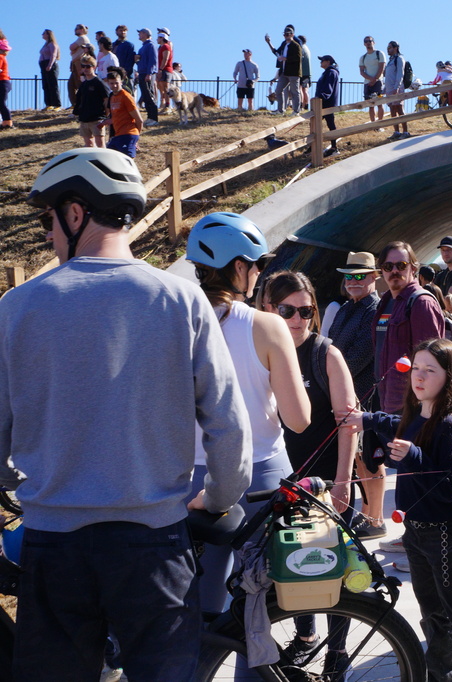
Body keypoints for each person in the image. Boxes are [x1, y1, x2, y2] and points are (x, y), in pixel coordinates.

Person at [3, 148, 251, 680]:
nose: (48, 235)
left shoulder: (16, 308)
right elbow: (228, 425)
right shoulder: (183, 301)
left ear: (75, 213)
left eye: (48, 220)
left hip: (54, 544)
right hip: (154, 544)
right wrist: (220, 497)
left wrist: (12, 481)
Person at [346, 339, 452, 682]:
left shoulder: (451, 425)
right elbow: (396, 423)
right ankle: (442, 675)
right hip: (416, 531)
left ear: (450, 377)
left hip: (447, 534)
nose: (419, 376)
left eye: (430, 370)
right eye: (416, 368)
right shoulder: (418, 414)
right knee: (432, 617)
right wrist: (366, 419)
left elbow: (449, 488)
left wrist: (414, 457)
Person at [185, 212, 311, 614]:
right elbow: (298, 420)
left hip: (190, 478)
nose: (260, 273)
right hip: (262, 476)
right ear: (239, 266)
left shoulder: (174, 321)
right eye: (259, 264)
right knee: (262, 602)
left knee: (201, 605)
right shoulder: (268, 327)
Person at [259, 271, 358, 672]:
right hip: (281, 479)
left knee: (336, 566)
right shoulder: (258, 348)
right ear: (268, 308)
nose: (298, 319)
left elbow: (348, 422)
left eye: (306, 310)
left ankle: (338, 650)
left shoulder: (324, 353)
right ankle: (305, 635)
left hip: (326, 479)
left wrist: (344, 482)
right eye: (287, 311)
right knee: (292, 563)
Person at [322, 252, 387, 539]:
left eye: (360, 276)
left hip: (366, 395)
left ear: (374, 277)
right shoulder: (347, 307)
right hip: (346, 393)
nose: (353, 281)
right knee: (357, 459)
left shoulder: (375, 310)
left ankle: (376, 520)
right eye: (348, 276)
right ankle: (367, 514)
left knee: (370, 458)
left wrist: (331, 375)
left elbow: (360, 356)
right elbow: (330, 346)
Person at [375, 241, 446, 415]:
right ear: (382, 271)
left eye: (401, 265)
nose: (394, 271)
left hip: (410, 406)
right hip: (386, 398)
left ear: (413, 268)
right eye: (388, 266)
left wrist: (425, 411)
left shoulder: (421, 303)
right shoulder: (385, 302)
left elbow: (432, 362)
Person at [101, 66, 142, 158]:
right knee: (109, 158)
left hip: (129, 134)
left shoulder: (126, 96)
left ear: (121, 82)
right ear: (108, 83)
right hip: (117, 135)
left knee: (127, 160)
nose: (114, 86)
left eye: (116, 83)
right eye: (112, 83)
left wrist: (135, 138)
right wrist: (106, 122)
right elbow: (118, 116)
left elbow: (139, 120)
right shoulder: (112, 97)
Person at [73, 56, 106, 147]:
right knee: (88, 145)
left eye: (88, 66)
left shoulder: (99, 82)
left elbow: (106, 99)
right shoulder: (83, 84)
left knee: (100, 144)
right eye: (83, 66)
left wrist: (107, 115)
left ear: (94, 67)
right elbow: (79, 100)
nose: (85, 69)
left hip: (97, 119)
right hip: (84, 119)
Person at [382, 40, 409, 140]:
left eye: (390, 48)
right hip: (389, 89)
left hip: (396, 88)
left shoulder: (399, 59)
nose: (388, 50)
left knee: (399, 108)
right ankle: (396, 131)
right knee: (392, 110)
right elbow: (387, 77)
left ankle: (405, 131)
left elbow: (400, 74)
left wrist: (397, 87)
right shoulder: (390, 61)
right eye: (387, 48)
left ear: (395, 48)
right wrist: (384, 89)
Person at [315, 54, 341, 155]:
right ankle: (314, 147)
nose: (320, 62)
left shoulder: (331, 72)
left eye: (322, 60)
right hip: (323, 102)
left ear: (328, 62)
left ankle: (333, 148)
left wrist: (321, 96)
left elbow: (328, 88)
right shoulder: (328, 72)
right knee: (317, 124)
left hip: (326, 103)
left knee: (328, 124)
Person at [360, 36, 385, 127]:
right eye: (366, 41)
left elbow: (382, 67)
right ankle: (373, 124)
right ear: (364, 44)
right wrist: (370, 80)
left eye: (369, 41)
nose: (368, 43)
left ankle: (380, 124)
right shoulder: (363, 57)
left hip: (378, 82)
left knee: (379, 103)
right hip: (367, 83)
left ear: (373, 42)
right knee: (370, 104)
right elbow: (362, 71)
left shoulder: (379, 54)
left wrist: (375, 79)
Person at [135, 29, 159, 125]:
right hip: (142, 73)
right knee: (145, 95)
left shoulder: (151, 45)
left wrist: (149, 73)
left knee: (149, 95)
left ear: (145, 34)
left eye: (140, 33)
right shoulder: (143, 47)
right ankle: (150, 116)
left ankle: (154, 118)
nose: (139, 34)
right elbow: (142, 61)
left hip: (147, 74)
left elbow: (153, 61)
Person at [68, 23, 92, 105]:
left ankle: (82, 102)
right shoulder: (80, 39)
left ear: (82, 30)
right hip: (75, 62)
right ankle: (75, 103)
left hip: (79, 62)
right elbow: (72, 50)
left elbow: (71, 47)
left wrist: (74, 49)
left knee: (79, 83)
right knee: (71, 84)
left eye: (77, 29)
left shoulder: (82, 38)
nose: (75, 30)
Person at [39, 29, 61, 110]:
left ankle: (57, 104)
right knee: (46, 85)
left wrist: (50, 65)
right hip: (43, 64)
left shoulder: (52, 44)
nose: (42, 35)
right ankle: (49, 104)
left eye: (44, 33)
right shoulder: (46, 44)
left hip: (50, 64)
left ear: (48, 35)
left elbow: (53, 55)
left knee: (52, 85)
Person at [155, 32, 173, 111]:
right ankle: (164, 104)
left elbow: (165, 59)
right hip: (162, 69)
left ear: (162, 38)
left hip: (165, 70)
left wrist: (160, 69)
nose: (157, 39)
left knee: (165, 88)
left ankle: (168, 105)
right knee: (161, 88)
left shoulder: (166, 47)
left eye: (158, 38)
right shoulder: (161, 47)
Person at [0, 32, 10, 130]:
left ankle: (7, 123)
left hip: (2, 81)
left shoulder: (0, 57)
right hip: (4, 82)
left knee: (1, 103)